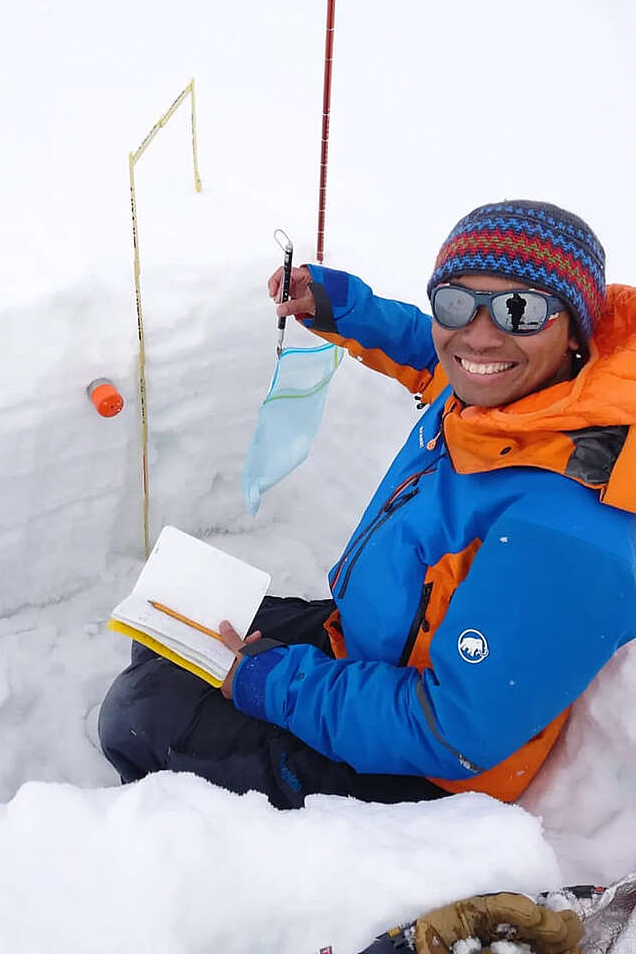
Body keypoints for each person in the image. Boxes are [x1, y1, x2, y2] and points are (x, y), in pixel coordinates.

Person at [99, 200, 636, 809]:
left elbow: (453, 731)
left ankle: (199, 842)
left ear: (576, 329)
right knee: (174, 623)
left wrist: (267, 682)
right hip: (373, 645)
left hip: (423, 763)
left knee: (136, 716)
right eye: (457, 302)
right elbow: (425, 348)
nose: (481, 335)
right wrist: (334, 306)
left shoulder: (573, 525)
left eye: (520, 309)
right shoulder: (518, 388)